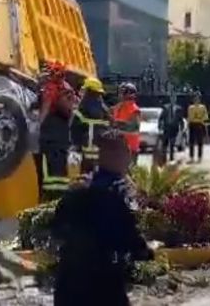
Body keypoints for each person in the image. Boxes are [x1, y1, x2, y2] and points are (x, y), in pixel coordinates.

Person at [51, 130, 153, 306]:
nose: (129, 157)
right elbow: (129, 235)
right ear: (117, 155)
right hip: (103, 283)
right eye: (126, 152)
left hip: (67, 284)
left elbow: (56, 232)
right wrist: (146, 251)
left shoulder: (76, 190)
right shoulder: (119, 191)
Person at [38, 81, 76, 199]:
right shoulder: (46, 112)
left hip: (54, 149)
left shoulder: (66, 116)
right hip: (56, 149)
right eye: (67, 96)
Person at [71, 77, 111, 173]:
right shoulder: (105, 110)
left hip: (86, 148)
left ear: (88, 91)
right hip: (102, 149)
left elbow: (74, 129)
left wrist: (75, 146)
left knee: (86, 174)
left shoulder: (81, 109)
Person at [112, 83, 142, 162]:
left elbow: (135, 128)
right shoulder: (117, 107)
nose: (120, 95)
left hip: (130, 147)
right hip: (118, 145)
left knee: (129, 171)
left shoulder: (134, 109)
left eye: (122, 92)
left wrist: (118, 125)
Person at [158, 96, 184, 162]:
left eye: (174, 99)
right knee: (165, 144)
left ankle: (171, 158)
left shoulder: (179, 108)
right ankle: (164, 158)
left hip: (174, 128)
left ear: (175, 100)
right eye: (172, 99)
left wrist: (182, 127)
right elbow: (161, 118)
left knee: (172, 143)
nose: (173, 100)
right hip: (166, 128)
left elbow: (180, 119)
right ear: (170, 100)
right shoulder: (165, 107)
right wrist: (160, 127)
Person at [187, 93, 210, 162]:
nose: (196, 100)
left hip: (200, 124)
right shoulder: (190, 107)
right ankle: (191, 157)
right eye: (195, 98)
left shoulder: (202, 107)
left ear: (199, 100)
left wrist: (201, 119)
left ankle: (199, 157)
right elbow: (189, 117)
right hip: (192, 124)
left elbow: (205, 116)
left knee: (200, 142)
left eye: (197, 98)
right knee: (191, 142)